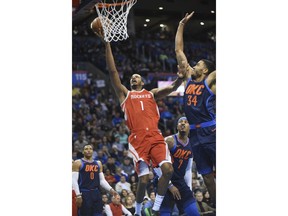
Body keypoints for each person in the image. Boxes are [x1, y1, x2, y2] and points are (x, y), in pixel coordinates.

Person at [94, 24, 188, 216]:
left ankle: (154, 209)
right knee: (144, 180)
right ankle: (137, 211)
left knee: (168, 169)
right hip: (138, 139)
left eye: (137, 77)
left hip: (155, 135)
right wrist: (107, 45)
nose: (133, 78)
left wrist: (179, 80)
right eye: (132, 78)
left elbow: (171, 89)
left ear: (143, 82)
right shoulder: (125, 96)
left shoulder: (151, 94)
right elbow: (113, 73)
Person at [175, 11, 216, 207]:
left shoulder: (210, 81)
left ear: (206, 70)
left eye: (199, 63)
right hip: (194, 133)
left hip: (211, 130)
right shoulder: (189, 77)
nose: (195, 64)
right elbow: (179, 51)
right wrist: (181, 24)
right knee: (207, 177)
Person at [154, 117, 200, 216]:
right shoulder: (169, 141)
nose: (183, 124)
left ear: (190, 127)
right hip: (164, 181)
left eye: (186, 122)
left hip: (180, 181)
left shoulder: (191, 144)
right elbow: (154, 163)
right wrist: (169, 185)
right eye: (180, 122)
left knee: (194, 212)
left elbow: (188, 170)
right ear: (177, 127)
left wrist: (189, 189)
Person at [72, 144, 119, 216]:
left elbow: (102, 180)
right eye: (86, 149)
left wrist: (111, 189)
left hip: (96, 192)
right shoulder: (78, 162)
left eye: (90, 149)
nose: (88, 150)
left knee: (98, 214)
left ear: (93, 151)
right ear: (83, 151)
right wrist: (78, 195)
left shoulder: (98, 163)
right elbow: (74, 180)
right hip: (84, 192)